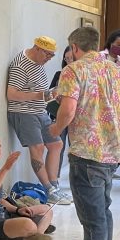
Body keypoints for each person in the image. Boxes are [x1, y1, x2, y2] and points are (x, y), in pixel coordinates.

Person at [49, 26, 120, 240]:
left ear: (75, 48)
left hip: (87, 153)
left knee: (92, 214)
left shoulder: (74, 70)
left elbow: (67, 110)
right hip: (112, 152)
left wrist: (55, 130)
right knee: (102, 206)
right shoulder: (119, 72)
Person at [6, 35, 71, 205]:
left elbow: (39, 92)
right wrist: (40, 95)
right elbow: (11, 94)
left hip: (39, 111)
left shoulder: (39, 63)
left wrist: (52, 95)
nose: (49, 59)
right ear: (37, 49)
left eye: (52, 56)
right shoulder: (20, 65)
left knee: (57, 144)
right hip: (23, 112)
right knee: (38, 148)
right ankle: (48, 189)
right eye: (47, 55)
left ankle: (54, 186)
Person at [48, 46, 73, 180]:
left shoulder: (81, 75)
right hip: (58, 115)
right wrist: (55, 95)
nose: (69, 61)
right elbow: (49, 93)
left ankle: (76, 180)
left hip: (76, 117)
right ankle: (54, 180)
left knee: (75, 150)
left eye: (71, 58)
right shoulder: (59, 74)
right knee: (58, 146)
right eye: (66, 58)